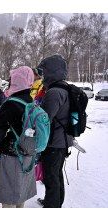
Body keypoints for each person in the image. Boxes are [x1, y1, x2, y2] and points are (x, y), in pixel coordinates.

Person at [0, 66, 36, 208]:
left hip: (12, 155)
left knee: (9, 197)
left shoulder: (11, 103)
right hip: (29, 153)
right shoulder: (30, 101)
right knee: (21, 192)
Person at [37, 54, 73, 208]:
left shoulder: (54, 92)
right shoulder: (63, 88)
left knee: (51, 176)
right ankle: (55, 202)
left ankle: (52, 207)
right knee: (56, 174)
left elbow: (44, 119)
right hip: (63, 140)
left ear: (51, 71)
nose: (42, 75)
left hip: (54, 142)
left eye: (44, 71)